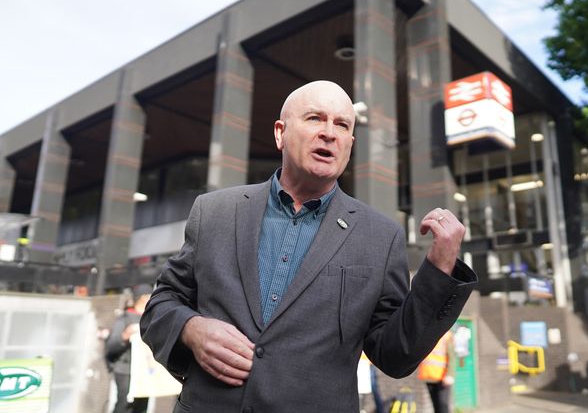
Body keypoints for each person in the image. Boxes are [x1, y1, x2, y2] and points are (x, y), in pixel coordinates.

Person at [140, 80, 477, 412]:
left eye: (342, 125)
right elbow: (162, 303)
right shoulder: (214, 212)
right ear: (280, 133)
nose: (329, 132)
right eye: (315, 118)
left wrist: (440, 270)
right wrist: (190, 328)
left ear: (349, 143)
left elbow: (396, 354)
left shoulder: (380, 236)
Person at [105, 284, 153, 413]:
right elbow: (112, 345)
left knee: (142, 404)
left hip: (145, 370)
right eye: (150, 295)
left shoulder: (152, 318)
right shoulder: (125, 317)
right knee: (124, 403)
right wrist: (126, 334)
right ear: (143, 297)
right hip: (125, 369)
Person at [418, 330, 456, 413]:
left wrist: (450, 375)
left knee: (443, 406)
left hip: (442, 378)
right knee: (436, 407)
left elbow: (452, 356)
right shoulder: (426, 334)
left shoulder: (447, 335)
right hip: (428, 375)